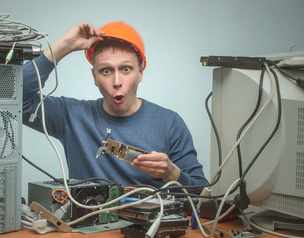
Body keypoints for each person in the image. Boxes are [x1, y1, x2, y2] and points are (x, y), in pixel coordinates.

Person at [23, 21, 208, 189]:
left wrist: (171, 173)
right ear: (94, 77)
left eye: (125, 69)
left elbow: (201, 195)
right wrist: (63, 46)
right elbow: (16, 99)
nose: (117, 81)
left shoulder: (169, 123)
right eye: (106, 71)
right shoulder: (70, 116)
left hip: (149, 225)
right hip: (87, 225)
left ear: (140, 72)